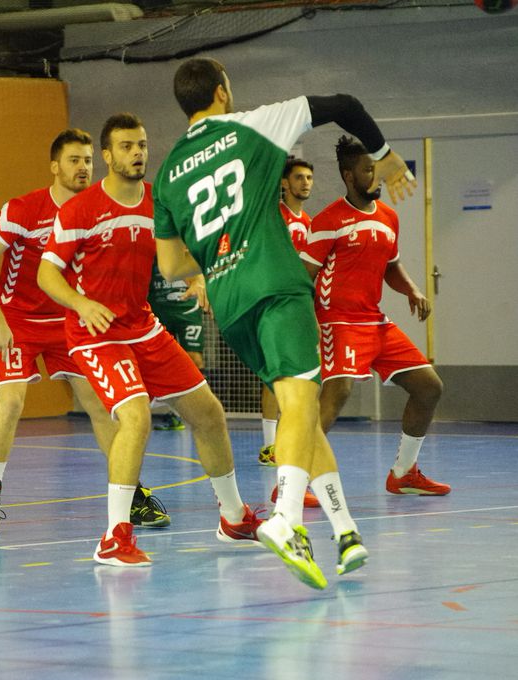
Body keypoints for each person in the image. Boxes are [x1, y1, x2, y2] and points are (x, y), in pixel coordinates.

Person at [154, 57, 416, 589]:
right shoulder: (249, 125)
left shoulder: (167, 173)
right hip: (275, 285)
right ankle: (287, 519)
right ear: (222, 91)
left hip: (229, 303)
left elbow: (171, 266)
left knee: (300, 415)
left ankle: (345, 530)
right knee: (301, 403)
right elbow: (344, 106)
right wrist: (385, 157)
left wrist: (218, 252)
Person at [38, 113, 263, 568]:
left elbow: (175, 259)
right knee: (135, 416)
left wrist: (200, 276)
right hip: (95, 335)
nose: (137, 153)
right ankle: (114, 536)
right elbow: (47, 275)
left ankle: (234, 517)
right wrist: (81, 304)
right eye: (126, 146)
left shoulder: (161, 203)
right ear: (107, 155)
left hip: (143, 327)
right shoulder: (80, 210)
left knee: (209, 414)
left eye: (141, 144)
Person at [0, 128, 170, 536]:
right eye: (74, 161)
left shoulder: (97, 209)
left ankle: (131, 494)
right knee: (11, 403)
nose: (83, 168)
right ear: (55, 166)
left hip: (68, 321)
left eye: (88, 161)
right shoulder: (23, 210)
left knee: (97, 403)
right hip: (18, 323)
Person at [301, 136, 448, 496]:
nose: (377, 176)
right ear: (349, 176)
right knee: (337, 393)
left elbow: (391, 266)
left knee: (429, 387)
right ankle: (295, 483)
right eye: (370, 170)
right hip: (337, 322)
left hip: (375, 322)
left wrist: (411, 289)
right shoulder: (328, 220)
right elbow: (302, 277)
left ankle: (403, 473)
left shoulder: (389, 218)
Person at [259, 157, 314, 467]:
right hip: (274, 305)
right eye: (298, 177)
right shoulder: (273, 217)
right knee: (274, 376)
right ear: (284, 183)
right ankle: (269, 445)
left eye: (309, 177)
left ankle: (288, 438)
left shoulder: (309, 224)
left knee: (297, 376)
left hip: (299, 307)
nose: (305, 182)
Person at [146, 265, 206, 431]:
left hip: (188, 309)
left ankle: (198, 409)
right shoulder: (150, 246)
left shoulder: (185, 244)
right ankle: (175, 413)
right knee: (161, 362)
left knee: (195, 358)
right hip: (159, 309)